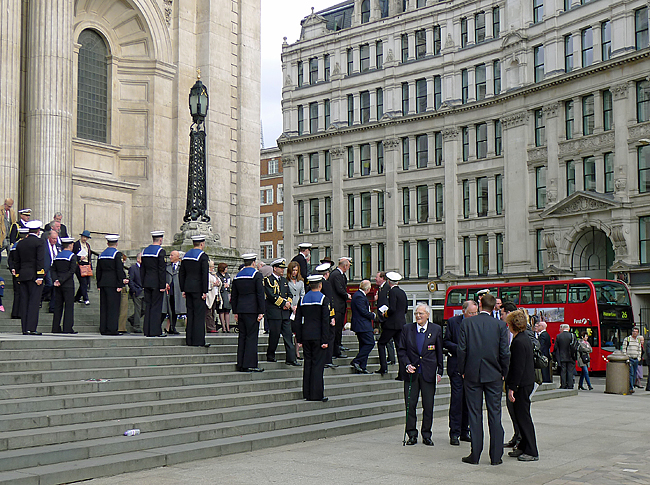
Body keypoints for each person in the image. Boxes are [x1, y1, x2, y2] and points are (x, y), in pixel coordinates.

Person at [457, 293, 510, 466]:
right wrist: (504, 371)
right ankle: (496, 456)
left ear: (480, 305)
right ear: (494, 306)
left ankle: (475, 454)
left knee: (475, 414)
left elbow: (462, 350)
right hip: (494, 374)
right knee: (495, 414)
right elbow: (505, 352)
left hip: (472, 374)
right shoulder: (501, 325)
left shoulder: (467, 323)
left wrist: (462, 370)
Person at [397, 304, 443, 446]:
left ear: (428, 315)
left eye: (421, 314)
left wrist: (440, 371)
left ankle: (426, 434)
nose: (418, 316)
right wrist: (406, 364)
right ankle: (411, 434)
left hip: (428, 373)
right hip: (412, 374)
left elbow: (439, 352)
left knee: (428, 406)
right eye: (416, 313)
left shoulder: (436, 329)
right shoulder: (407, 329)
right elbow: (401, 350)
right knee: (410, 405)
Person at [505, 309, 539, 462]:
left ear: (512, 325)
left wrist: (512, 387)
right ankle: (523, 446)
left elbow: (517, 367)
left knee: (523, 417)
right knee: (521, 416)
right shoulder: (525, 338)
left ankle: (531, 450)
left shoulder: (518, 342)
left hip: (522, 384)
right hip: (527, 382)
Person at [294, 274, 332, 402]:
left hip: (306, 335)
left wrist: (299, 339)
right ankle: (316, 394)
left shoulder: (303, 299)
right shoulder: (323, 299)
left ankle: (307, 392)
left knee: (308, 364)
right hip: (318, 336)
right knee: (318, 365)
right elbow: (325, 321)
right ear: (320, 285)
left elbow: (298, 320)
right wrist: (325, 340)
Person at [444, 300, 477, 446]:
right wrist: (461, 349)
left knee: (468, 401)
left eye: (475, 312)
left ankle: (465, 430)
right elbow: (446, 342)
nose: (473, 315)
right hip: (456, 366)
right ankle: (455, 432)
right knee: (457, 400)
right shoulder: (453, 322)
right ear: (464, 311)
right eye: (471, 313)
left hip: (472, 367)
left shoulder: (477, 323)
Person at [231, 253, 266, 372]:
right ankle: (250, 363)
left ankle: (240, 363)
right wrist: (261, 311)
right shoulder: (256, 275)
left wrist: (235, 311)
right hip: (252, 309)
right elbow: (260, 294)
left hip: (241, 309)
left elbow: (234, 295)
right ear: (253, 263)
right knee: (251, 337)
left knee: (242, 336)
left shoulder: (237, 276)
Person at [264, 258, 299, 366]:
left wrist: (288, 303)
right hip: (274, 313)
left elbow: (289, 294)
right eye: (280, 268)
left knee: (288, 335)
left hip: (284, 313)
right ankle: (270, 355)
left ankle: (291, 358)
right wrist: (283, 303)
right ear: (275, 268)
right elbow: (271, 295)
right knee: (274, 336)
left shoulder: (284, 281)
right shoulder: (268, 280)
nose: (282, 270)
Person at [13, 220, 45, 335]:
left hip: (23, 275)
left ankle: (24, 328)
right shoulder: (39, 242)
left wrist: (18, 275)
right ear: (37, 231)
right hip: (34, 276)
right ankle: (31, 328)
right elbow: (40, 259)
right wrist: (40, 276)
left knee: (24, 302)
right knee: (33, 302)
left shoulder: (21, 243)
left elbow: (17, 261)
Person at [179, 235, 210, 347]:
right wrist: (204, 291)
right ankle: (198, 340)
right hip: (198, 289)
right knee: (199, 315)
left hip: (188, 288)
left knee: (190, 314)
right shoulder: (203, 256)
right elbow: (204, 275)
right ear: (202, 244)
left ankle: (189, 339)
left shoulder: (186, 256)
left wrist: (183, 289)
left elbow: (181, 273)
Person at [96, 235, 128, 336]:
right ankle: (112, 329)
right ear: (116, 243)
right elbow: (119, 269)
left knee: (104, 306)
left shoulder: (101, 255)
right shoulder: (117, 254)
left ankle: (103, 328)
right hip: (113, 283)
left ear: (107, 243)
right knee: (113, 307)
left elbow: (98, 270)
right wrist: (120, 283)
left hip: (103, 282)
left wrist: (99, 283)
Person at [377, 271, 407, 376]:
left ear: (389, 282)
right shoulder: (403, 292)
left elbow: (392, 308)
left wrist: (386, 314)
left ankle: (383, 368)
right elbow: (406, 309)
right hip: (401, 324)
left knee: (381, 343)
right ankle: (402, 372)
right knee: (400, 348)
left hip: (391, 324)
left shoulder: (392, 292)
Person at [500, 301, 520, 450]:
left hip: (518, 377)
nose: (500, 316)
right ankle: (516, 435)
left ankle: (521, 438)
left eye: (502, 313)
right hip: (507, 375)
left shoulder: (522, 334)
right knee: (511, 408)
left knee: (518, 409)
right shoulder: (505, 330)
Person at [141, 230, 167, 337]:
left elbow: (142, 269)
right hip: (156, 283)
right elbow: (161, 270)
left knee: (148, 306)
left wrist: (143, 282)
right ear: (160, 240)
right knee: (156, 307)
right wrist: (162, 285)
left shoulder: (145, 251)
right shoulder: (160, 251)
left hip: (147, 281)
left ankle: (147, 330)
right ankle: (155, 331)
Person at [50, 237, 78, 334]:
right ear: (70, 245)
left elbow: (52, 269)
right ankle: (67, 328)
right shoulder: (72, 256)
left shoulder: (57, 256)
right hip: (68, 284)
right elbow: (72, 271)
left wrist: (56, 280)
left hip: (58, 284)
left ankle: (55, 327)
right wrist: (61, 280)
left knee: (58, 306)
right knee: (69, 306)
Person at [350, 279, 376, 374]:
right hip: (362, 325)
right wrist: (373, 315)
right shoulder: (359, 296)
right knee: (370, 343)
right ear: (368, 289)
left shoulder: (359, 296)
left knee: (363, 345)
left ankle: (362, 366)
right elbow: (363, 311)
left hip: (362, 325)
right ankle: (356, 361)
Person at [329, 257, 351, 361]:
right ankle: (335, 351)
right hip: (337, 306)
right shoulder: (336, 274)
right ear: (345, 266)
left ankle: (337, 349)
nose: (348, 268)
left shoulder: (340, 275)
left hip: (340, 306)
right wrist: (347, 295)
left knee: (339, 329)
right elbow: (339, 289)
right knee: (336, 330)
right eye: (348, 266)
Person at [374, 272, 395, 369]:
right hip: (382, 318)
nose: (375, 279)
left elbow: (387, 303)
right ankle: (390, 357)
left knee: (388, 340)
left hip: (386, 318)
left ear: (382, 278)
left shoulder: (387, 288)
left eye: (377, 277)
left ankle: (391, 358)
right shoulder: (381, 288)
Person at [162, 250, 186, 335]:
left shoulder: (182, 266)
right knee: (167, 309)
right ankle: (166, 327)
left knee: (175, 309)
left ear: (177, 257)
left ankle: (172, 327)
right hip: (168, 290)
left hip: (177, 291)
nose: (170, 257)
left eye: (172, 255)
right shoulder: (167, 266)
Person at [287, 260, 306, 359]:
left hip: (298, 308)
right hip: (289, 308)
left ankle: (297, 351)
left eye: (296, 270)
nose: (295, 272)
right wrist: (291, 306)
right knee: (290, 331)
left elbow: (302, 294)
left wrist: (299, 306)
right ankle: (291, 351)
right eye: (293, 270)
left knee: (298, 331)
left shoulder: (301, 282)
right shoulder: (286, 281)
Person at [8, 227, 28, 319]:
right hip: (22, 270)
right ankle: (20, 312)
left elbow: (10, 259)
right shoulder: (23, 245)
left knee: (17, 292)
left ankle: (15, 312)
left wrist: (12, 268)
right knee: (22, 292)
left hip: (15, 271)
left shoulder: (14, 245)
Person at [73, 230, 96, 305]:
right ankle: (85, 298)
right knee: (83, 281)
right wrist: (79, 258)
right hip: (79, 264)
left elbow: (89, 257)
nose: (85, 239)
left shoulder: (88, 245)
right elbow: (73, 255)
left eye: (86, 238)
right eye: (84, 237)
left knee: (85, 283)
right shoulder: (76, 244)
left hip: (86, 264)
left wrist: (90, 267)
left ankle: (77, 297)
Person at [42, 229, 60, 313]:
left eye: (56, 239)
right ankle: (41, 296)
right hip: (47, 267)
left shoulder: (57, 246)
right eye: (53, 238)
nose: (55, 240)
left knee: (54, 286)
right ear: (49, 237)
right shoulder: (44, 245)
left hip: (55, 268)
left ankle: (52, 306)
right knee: (49, 284)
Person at [554, 324, 576, 389]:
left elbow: (555, 347)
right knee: (570, 371)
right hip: (571, 356)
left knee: (563, 371)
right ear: (568, 329)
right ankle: (570, 385)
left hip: (562, 356)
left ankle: (563, 385)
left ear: (563, 329)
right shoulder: (572, 336)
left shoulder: (559, 336)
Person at [622, 327, 644, 394]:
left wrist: (638, 358)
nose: (635, 333)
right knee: (631, 373)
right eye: (633, 331)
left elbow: (640, 350)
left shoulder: (638, 340)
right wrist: (626, 358)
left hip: (636, 359)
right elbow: (624, 349)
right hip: (630, 358)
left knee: (634, 374)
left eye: (636, 332)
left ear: (638, 333)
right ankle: (631, 388)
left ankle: (632, 386)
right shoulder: (627, 339)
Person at [127, 253, 144, 333]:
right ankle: (136, 326)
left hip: (144, 291)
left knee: (144, 309)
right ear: (138, 259)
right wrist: (134, 290)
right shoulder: (133, 268)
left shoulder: (144, 268)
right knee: (138, 309)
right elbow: (131, 280)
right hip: (137, 291)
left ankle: (132, 319)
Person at [205, 260, 221, 334]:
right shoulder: (206, 274)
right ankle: (210, 327)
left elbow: (219, 282)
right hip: (209, 295)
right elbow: (206, 284)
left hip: (215, 294)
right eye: (212, 266)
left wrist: (218, 283)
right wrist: (212, 285)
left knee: (213, 312)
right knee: (208, 312)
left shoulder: (214, 274)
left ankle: (213, 326)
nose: (213, 268)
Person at [216, 263, 232, 333]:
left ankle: (228, 327)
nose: (227, 269)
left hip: (227, 294)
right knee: (221, 311)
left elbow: (231, 284)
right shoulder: (217, 275)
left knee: (227, 311)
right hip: (221, 294)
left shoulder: (228, 275)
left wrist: (228, 286)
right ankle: (223, 327)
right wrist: (223, 286)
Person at [535, 318, 552, 383]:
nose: (537, 327)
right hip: (546, 354)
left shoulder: (543, 335)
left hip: (543, 355)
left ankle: (545, 380)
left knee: (544, 370)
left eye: (539, 326)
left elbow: (541, 346)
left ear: (542, 327)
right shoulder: (546, 334)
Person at [1, 198, 16, 263]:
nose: (9, 208)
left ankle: (10, 264)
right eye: (8, 206)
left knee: (10, 250)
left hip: (10, 234)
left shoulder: (12, 212)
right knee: (3, 245)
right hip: (2, 234)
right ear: (5, 204)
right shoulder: (0, 210)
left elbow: (13, 222)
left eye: (11, 206)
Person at [117, 253, 130, 334]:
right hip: (118, 287)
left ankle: (122, 327)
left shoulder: (126, 264)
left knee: (123, 310)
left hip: (124, 288)